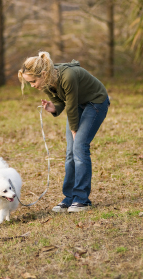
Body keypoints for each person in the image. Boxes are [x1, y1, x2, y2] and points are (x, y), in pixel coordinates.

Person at [18, 51, 110, 213]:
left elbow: (72, 106)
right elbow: (60, 102)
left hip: (95, 102)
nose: (32, 85)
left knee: (80, 148)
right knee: (70, 153)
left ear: (44, 74)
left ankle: (82, 199)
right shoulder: (46, 83)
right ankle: (69, 198)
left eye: (33, 81)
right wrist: (53, 108)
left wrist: (75, 130)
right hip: (77, 105)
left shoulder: (68, 76)